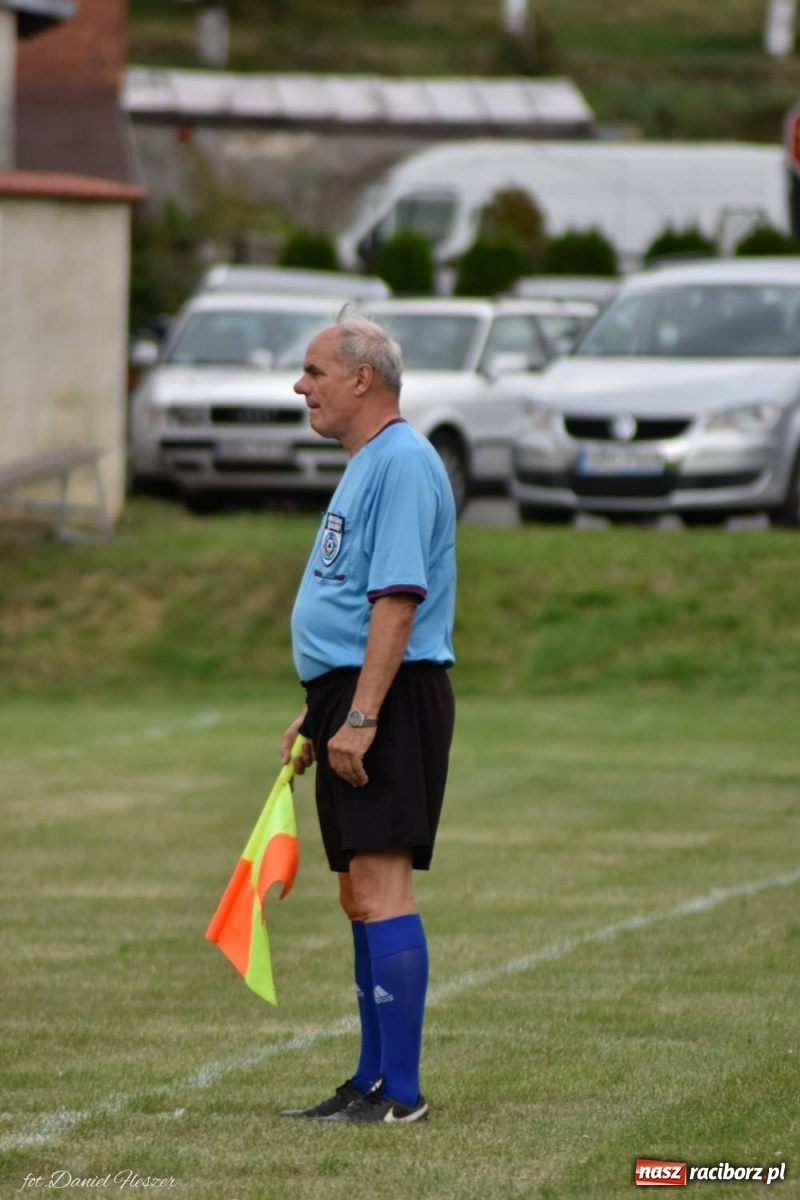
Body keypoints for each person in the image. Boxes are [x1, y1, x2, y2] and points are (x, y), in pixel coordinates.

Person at [278, 310, 457, 1124]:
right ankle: (370, 1080)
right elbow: (353, 604)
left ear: (361, 378)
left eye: (313, 371)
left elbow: (396, 603)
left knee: (382, 886)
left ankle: (404, 1095)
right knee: (358, 891)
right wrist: (318, 709)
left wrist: (361, 713)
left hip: (389, 695)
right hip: (351, 694)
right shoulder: (368, 463)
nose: (300, 385)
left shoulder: (405, 462)